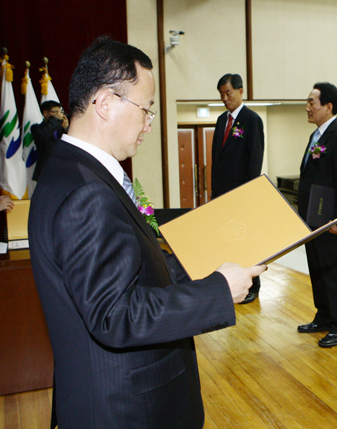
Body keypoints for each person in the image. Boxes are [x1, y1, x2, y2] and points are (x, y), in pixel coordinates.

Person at [28, 37, 265, 429]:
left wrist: (201, 262)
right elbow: (115, 315)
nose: (149, 124)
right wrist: (218, 290)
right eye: (145, 109)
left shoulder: (68, 171)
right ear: (104, 103)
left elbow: (127, 273)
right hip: (127, 408)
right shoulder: (87, 193)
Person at [296, 82, 337, 348]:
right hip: (312, 218)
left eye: (312, 102)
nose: (307, 107)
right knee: (317, 268)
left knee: (334, 271)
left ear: (328, 106)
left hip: (329, 219)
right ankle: (324, 316)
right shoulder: (316, 135)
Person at [211, 73, 265, 304]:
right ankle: (234, 281)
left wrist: (249, 194)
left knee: (247, 241)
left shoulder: (252, 120)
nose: (225, 98)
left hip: (242, 194)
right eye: (221, 94)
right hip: (222, 195)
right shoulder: (221, 121)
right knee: (229, 240)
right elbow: (215, 159)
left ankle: (254, 285)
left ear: (241, 91)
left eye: (228, 93)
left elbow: (255, 159)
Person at [31, 100, 69, 181]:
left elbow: (73, 143)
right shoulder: (36, 128)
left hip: (63, 168)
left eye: (60, 112)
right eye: (55, 112)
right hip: (45, 169)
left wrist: (66, 128)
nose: (59, 115)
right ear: (45, 113)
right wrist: (55, 120)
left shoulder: (61, 127)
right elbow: (43, 137)